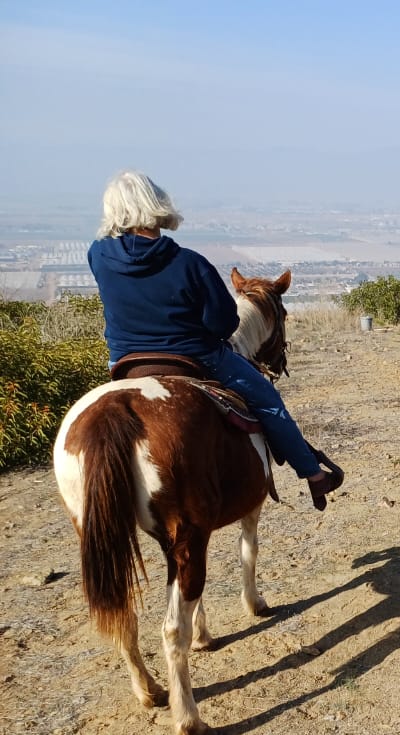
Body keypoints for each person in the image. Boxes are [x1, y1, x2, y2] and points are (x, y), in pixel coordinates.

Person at [87, 170, 343, 509]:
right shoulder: (189, 263)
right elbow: (224, 324)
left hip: (124, 361)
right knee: (268, 400)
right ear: (157, 206)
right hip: (194, 356)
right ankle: (313, 474)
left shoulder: (98, 255)